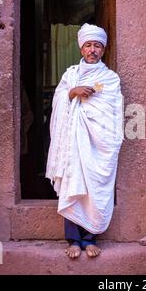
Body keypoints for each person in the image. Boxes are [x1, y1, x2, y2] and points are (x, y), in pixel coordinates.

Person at [46, 23, 124, 259]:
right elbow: (59, 100)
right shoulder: (70, 75)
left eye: (97, 46)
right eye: (88, 45)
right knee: (72, 185)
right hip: (72, 142)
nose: (93, 50)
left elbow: (115, 110)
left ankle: (90, 238)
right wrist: (73, 92)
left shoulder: (110, 78)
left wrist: (104, 137)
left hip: (98, 144)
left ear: (103, 50)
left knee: (95, 187)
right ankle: (73, 240)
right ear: (81, 48)